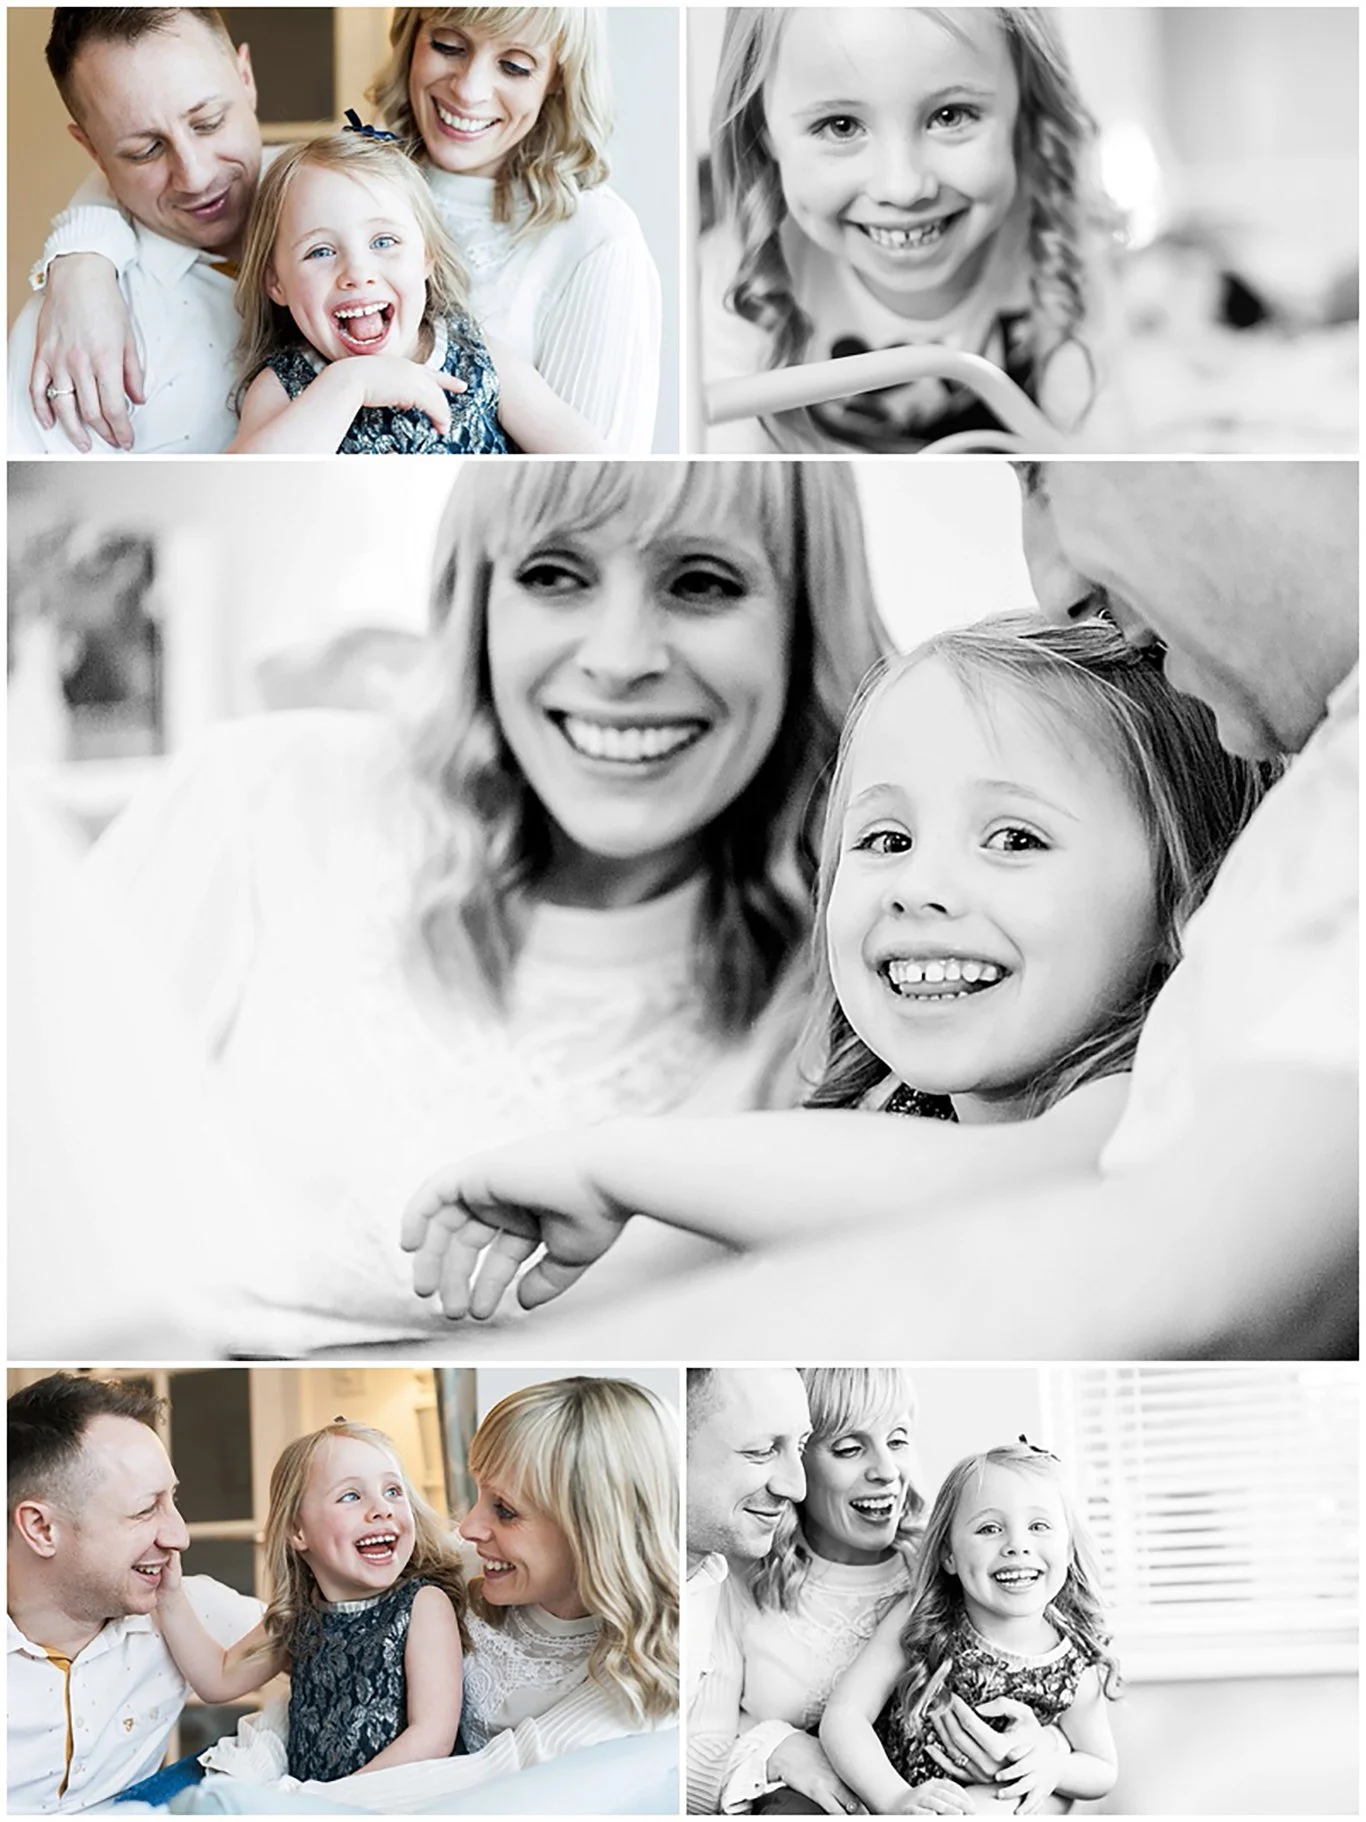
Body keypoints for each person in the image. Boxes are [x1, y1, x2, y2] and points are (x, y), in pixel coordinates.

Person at [397, 458, 1358, 1361]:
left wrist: (613, 1163)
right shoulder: (866, 1115)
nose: (915, 886)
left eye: (1015, 840)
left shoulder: (1129, 1100)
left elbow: (1018, 1191)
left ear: (1185, 902)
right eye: (885, 841)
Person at [78, 461, 888, 1354]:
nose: (620, 661)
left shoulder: (868, 976)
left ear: (805, 622)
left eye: (701, 583)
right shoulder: (260, 800)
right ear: (478, 605)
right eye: (553, 576)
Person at [18, 6, 661, 453]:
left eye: (516, 65)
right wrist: (82, 258)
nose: (196, 176)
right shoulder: (344, 174)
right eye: (448, 45)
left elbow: (596, 471)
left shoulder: (582, 251)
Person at [700, 8, 1106, 453]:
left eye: (951, 115)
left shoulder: (1054, 241)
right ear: (763, 134)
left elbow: (1098, 455)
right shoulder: (737, 283)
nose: (903, 187)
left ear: (1024, 107)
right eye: (841, 126)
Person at [228, 129, 602, 455]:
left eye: (384, 241)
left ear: (427, 255)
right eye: (321, 251)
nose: (357, 273)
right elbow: (241, 490)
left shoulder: (477, 358)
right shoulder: (284, 386)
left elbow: (590, 461)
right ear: (275, 282)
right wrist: (349, 383)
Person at [9, 7, 263, 453]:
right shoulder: (63, 340)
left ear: (246, 77)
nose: (196, 176)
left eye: (208, 123)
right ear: (92, 150)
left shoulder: (351, 196)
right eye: (145, 151)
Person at [155, 1420, 467, 1781]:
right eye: (351, 1496)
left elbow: (432, 1737)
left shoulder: (424, 1605)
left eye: (394, 1491)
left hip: (392, 1798)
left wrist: (336, 1800)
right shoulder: (299, 1616)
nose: (382, 1509)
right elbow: (218, 1680)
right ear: (297, 1531)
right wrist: (169, 1595)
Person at [7, 1373, 262, 1813]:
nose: (179, 1536)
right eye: (146, 1510)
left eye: (172, 1500)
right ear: (41, 1528)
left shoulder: (185, 1610)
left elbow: (353, 1645)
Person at [822, 1443, 1120, 1816]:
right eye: (990, 1528)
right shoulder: (922, 1620)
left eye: (1039, 1526)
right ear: (949, 1554)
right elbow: (845, 1716)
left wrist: (1055, 1767)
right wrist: (895, 1799)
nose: (1017, 1545)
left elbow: (1102, 1768)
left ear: (1070, 1548)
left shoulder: (1073, 1659)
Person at [694, 1369, 923, 1816]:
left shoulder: (939, 1577)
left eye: (897, 1440)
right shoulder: (736, 1577)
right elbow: (700, 1747)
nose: (887, 1471)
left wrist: (1050, 1746)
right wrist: (777, 1747)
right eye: (850, 1449)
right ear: (797, 1462)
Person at [685, 1369, 811, 1809]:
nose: (797, 1487)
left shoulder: (713, 1570)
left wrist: (772, 1746)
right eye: (761, 1451)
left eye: (801, 1447)